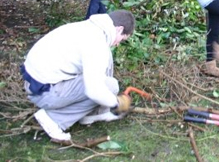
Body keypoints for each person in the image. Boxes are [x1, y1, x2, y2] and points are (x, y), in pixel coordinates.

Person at [20, 10, 136, 142]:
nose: (118, 43)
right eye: (122, 39)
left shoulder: (88, 27)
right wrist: (117, 103)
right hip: (45, 92)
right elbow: (94, 91)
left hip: (35, 83)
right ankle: (53, 119)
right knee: (108, 86)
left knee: (106, 83)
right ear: (119, 29)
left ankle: (90, 115)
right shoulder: (97, 44)